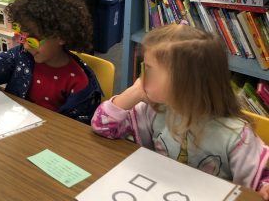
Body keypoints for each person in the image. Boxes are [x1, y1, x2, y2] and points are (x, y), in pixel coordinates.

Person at [91, 24, 269, 198]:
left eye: (149, 70)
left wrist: (264, 186)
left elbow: (257, 181)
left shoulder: (237, 136)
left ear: (185, 82)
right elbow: (102, 127)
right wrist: (134, 92)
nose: (142, 77)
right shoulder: (153, 109)